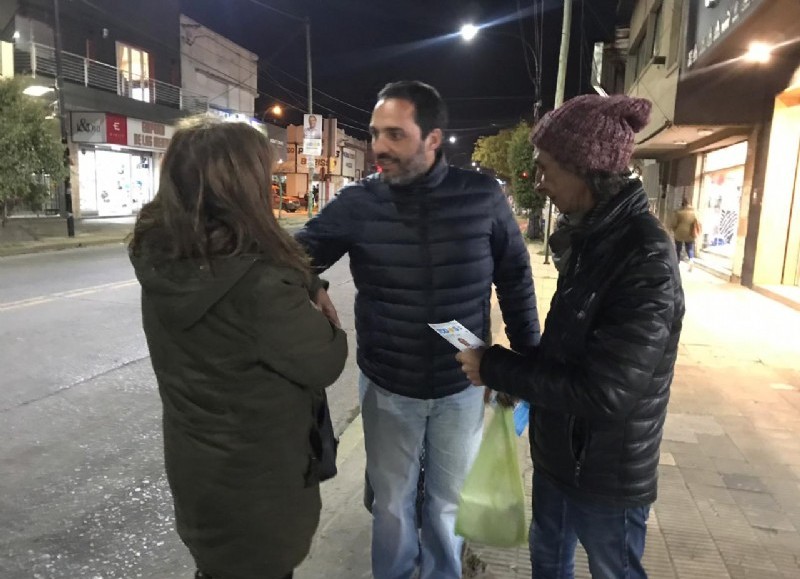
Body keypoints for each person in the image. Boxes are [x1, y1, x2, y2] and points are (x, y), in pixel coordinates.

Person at [295, 80, 540, 579]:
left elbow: (515, 278)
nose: (379, 147)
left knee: (448, 503)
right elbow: (292, 254)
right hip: (389, 383)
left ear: (432, 140)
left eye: (395, 134)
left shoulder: (482, 198)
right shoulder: (358, 203)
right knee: (391, 502)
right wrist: (310, 281)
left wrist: (526, 363)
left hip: (462, 384)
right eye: (374, 134)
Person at [457, 94, 685, 579]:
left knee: (614, 570)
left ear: (586, 168)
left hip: (606, 474)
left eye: (546, 169)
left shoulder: (644, 255)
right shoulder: (590, 238)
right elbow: (566, 354)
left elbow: (607, 391)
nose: (539, 183)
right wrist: (517, 381)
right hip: (559, 457)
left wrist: (496, 366)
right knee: (547, 563)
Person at [128, 117, 348, 579]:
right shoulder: (261, 286)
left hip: (199, 475)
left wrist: (305, 279)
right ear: (241, 190)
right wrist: (326, 317)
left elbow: (257, 259)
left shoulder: (165, 255)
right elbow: (325, 359)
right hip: (258, 491)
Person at [671, 196, 700, 270]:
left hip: (679, 232)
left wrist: (674, 229)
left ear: (682, 203)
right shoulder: (694, 212)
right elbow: (697, 222)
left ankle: (677, 263)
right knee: (690, 248)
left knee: (678, 248)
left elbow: (674, 223)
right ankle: (691, 260)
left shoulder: (678, 212)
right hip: (690, 233)